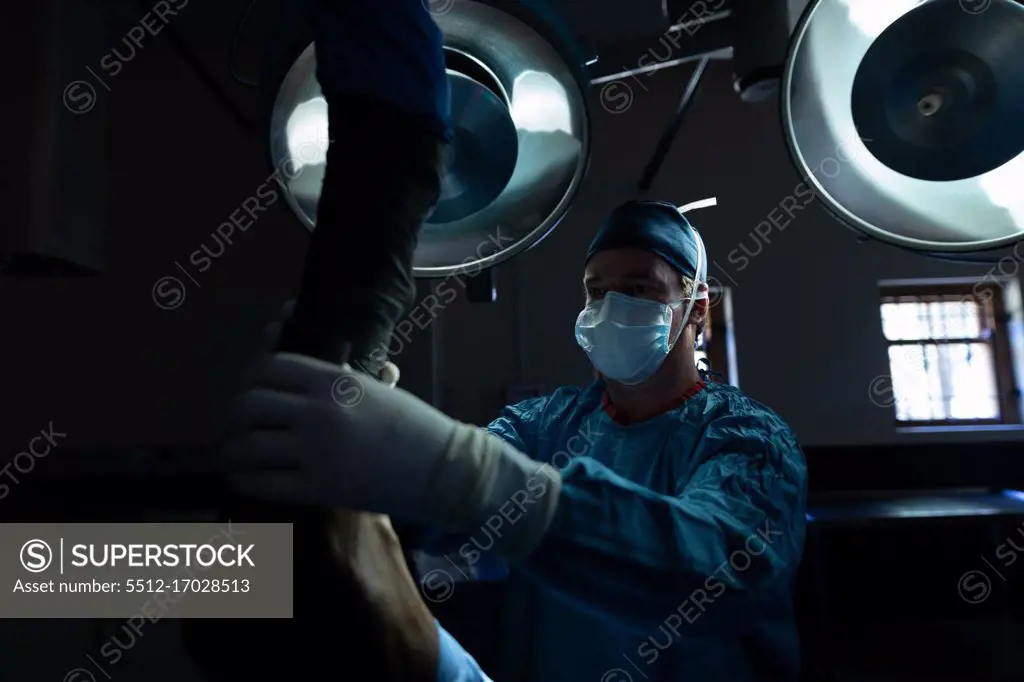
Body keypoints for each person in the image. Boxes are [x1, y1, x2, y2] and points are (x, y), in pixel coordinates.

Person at [227, 196, 808, 681]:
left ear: (696, 309)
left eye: (639, 287)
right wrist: (355, 431)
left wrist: (466, 473)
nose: (610, 308)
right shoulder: (545, 425)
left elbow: (724, 567)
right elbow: (435, 514)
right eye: (595, 290)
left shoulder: (747, 439)